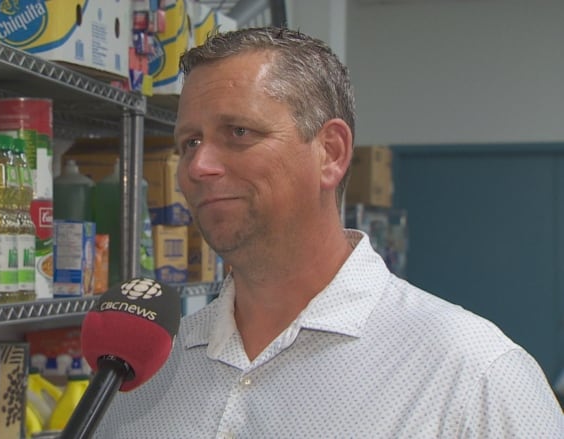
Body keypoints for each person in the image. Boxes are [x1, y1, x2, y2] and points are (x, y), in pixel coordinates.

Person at [95, 27, 564, 437]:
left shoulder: (475, 375)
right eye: (189, 142)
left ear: (331, 153)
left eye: (238, 132)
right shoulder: (147, 370)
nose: (199, 165)